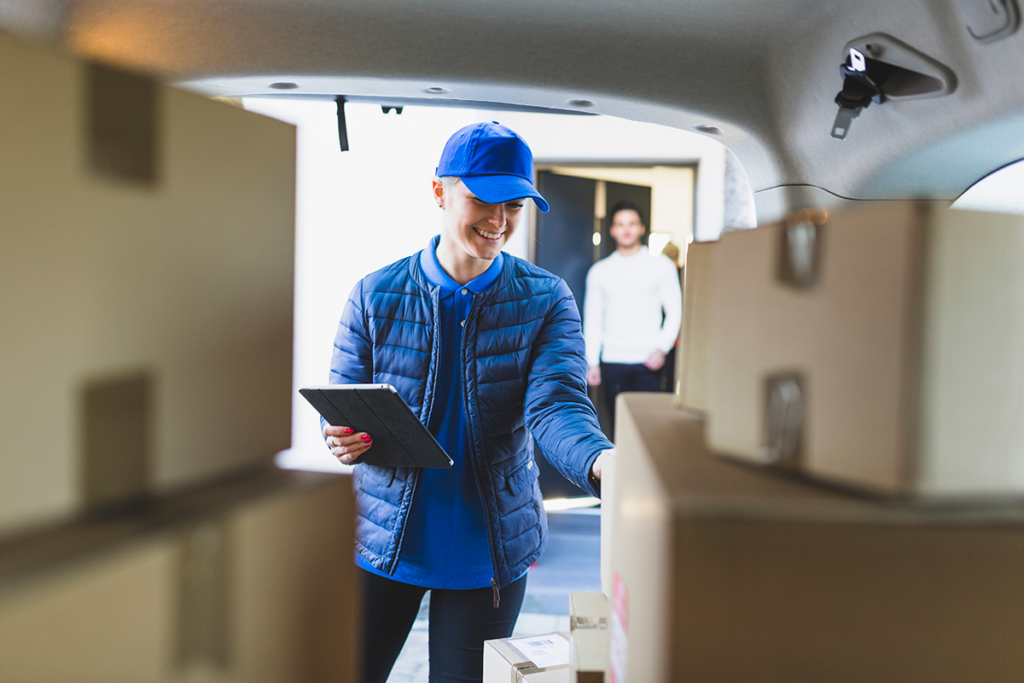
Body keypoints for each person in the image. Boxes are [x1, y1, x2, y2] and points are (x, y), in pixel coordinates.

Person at [322, 121, 613, 683]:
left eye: (516, 206)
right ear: (439, 191)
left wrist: (601, 461)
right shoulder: (374, 293)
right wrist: (339, 437)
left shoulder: (546, 299)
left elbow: (556, 405)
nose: (499, 222)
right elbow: (340, 402)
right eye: (484, 200)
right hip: (382, 542)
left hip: (487, 553)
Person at [583, 201, 683, 428]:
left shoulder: (661, 265)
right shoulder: (600, 271)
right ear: (612, 230)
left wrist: (662, 347)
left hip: (649, 361)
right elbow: (593, 318)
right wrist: (592, 362)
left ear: (641, 228)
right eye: (620, 224)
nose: (626, 229)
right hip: (612, 361)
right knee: (618, 427)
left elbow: (675, 310)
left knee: (649, 428)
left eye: (631, 223)